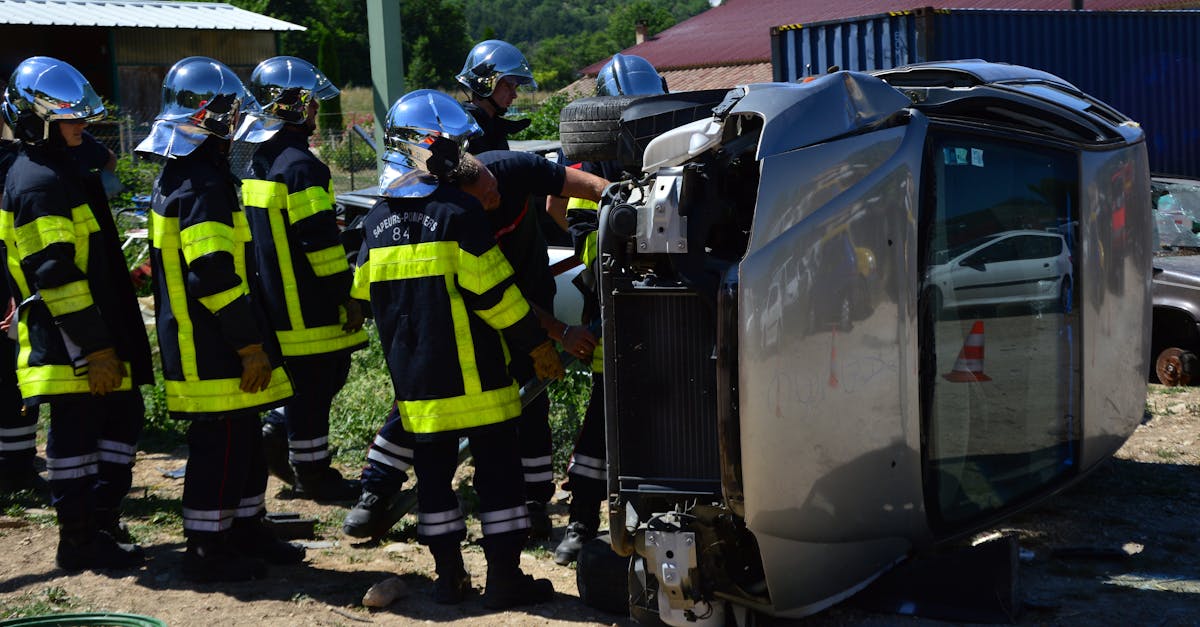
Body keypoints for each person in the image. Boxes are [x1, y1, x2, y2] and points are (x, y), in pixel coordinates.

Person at [351, 88, 564, 608]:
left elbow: (360, 294)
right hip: (479, 380)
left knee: (434, 484)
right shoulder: (457, 214)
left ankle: (449, 579)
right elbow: (496, 296)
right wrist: (537, 345)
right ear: (436, 150)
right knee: (499, 481)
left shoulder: (374, 223)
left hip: (416, 388)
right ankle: (505, 578)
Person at [342, 149, 607, 541]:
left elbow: (575, 183)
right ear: (458, 195)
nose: (496, 197)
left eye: (495, 187)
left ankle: (533, 502)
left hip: (526, 291)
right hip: (482, 305)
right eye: (486, 196)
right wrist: (555, 334)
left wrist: (620, 198)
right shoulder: (452, 217)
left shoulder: (510, 170)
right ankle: (376, 490)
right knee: (423, 399)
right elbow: (497, 292)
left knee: (532, 407)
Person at [135, 56, 302, 582]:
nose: (238, 136)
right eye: (232, 123)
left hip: (210, 338)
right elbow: (211, 277)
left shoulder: (181, 175)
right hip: (211, 345)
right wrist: (248, 345)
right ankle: (209, 547)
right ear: (210, 121)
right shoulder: (202, 187)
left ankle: (246, 527)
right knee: (221, 445)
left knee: (244, 438)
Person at [0, 56, 153, 570]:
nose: (81, 126)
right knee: (76, 436)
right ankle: (79, 538)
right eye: (70, 119)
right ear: (37, 123)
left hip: (93, 329)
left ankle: (101, 516)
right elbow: (55, 275)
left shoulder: (59, 166)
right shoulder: (39, 184)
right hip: (71, 340)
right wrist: (97, 348)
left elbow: (98, 157)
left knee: (122, 416)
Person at [552, 53, 667, 566]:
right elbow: (576, 226)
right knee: (603, 417)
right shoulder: (593, 153)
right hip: (615, 300)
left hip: (674, 301)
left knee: (673, 415)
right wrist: (613, 262)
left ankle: (662, 515)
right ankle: (580, 522)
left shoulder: (681, 138)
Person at [236, 56, 366, 501]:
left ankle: (278, 440)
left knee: (298, 389)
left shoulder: (260, 161)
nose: (315, 112)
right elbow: (320, 244)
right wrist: (346, 295)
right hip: (310, 307)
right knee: (317, 388)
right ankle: (313, 475)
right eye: (309, 104)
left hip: (276, 304)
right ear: (292, 105)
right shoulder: (302, 167)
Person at [455, 40, 535, 154]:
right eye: (508, 86)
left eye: (515, 87)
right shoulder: (461, 128)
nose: (514, 95)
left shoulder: (493, 126)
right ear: (483, 85)